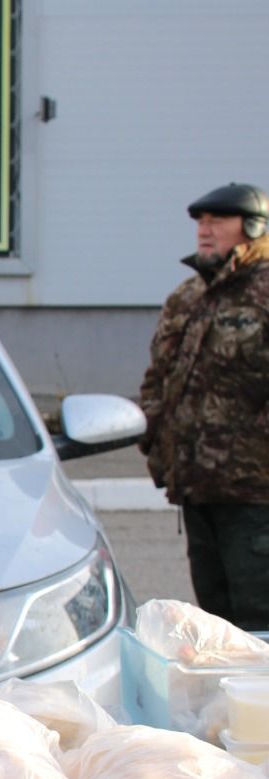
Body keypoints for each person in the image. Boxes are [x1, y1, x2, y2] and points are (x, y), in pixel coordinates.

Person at [138, 182, 269, 630]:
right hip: (197, 489)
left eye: (218, 221)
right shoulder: (189, 296)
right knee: (218, 623)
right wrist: (154, 442)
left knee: (260, 621)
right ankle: (231, 701)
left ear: (253, 227)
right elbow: (159, 378)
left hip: (256, 496)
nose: (205, 231)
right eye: (200, 222)